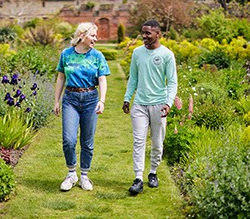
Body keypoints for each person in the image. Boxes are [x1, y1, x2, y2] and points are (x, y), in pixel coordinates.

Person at [53, 22, 110, 191]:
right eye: (93, 35)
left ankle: (84, 176)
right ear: (82, 35)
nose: (96, 38)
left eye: (96, 35)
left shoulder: (97, 56)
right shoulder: (66, 54)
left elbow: (102, 79)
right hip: (70, 99)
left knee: (87, 141)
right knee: (69, 140)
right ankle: (72, 174)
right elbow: (61, 78)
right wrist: (56, 100)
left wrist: (102, 100)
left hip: (90, 99)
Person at [122, 20, 177, 194]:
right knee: (138, 141)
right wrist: (127, 98)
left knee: (157, 143)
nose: (144, 36)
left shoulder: (167, 55)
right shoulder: (137, 53)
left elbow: (172, 82)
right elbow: (133, 78)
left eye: (148, 33)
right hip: (140, 104)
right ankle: (138, 178)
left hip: (159, 105)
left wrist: (168, 103)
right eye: (143, 33)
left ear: (158, 34)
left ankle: (153, 173)